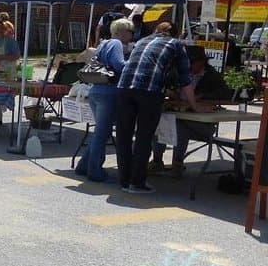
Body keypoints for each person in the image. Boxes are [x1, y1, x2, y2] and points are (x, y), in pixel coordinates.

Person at [115, 22, 196, 194]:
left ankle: (124, 180)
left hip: (124, 88)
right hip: (149, 91)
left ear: (156, 31)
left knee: (124, 135)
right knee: (144, 137)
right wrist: (195, 106)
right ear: (175, 34)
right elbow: (186, 80)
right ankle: (137, 183)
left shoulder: (142, 40)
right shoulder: (176, 44)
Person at [150, 45, 233, 176]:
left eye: (191, 63)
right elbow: (165, 85)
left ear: (201, 62)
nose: (188, 67)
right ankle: (157, 160)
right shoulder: (178, 73)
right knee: (162, 120)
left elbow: (226, 95)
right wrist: (172, 93)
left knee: (179, 127)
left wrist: (202, 96)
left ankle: (177, 162)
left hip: (203, 124)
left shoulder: (212, 76)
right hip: (180, 115)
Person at [74, 18, 133, 182]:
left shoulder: (104, 43)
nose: (131, 35)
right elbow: (119, 65)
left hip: (96, 91)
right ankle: (95, 171)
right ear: (122, 31)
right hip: (109, 92)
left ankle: (83, 166)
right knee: (102, 133)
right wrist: (133, 62)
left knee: (100, 132)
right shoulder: (117, 44)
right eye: (130, 32)